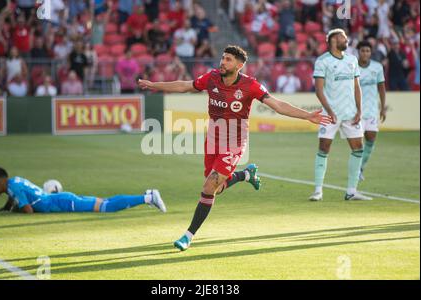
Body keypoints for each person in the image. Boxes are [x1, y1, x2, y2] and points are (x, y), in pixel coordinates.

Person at [138, 45, 332, 251]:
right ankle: (246, 175)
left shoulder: (250, 85)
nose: (223, 62)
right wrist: (155, 85)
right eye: (223, 58)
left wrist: (307, 115)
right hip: (213, 137)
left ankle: (188, 236)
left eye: (228, 59)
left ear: (239, 65)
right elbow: (185, 85)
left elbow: (277, 105)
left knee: (208, 187)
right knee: (217, 188)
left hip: (234, 141)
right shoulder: (211, 77)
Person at [309, 28, 372, 202]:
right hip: (330, 114)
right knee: (324, 148)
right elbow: (318, 90)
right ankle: (318, 190)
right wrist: (329, 111)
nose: (347, 40)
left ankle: (351, 191)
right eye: (343, 37)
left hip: (351, 114)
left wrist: (359, 110)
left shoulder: (352, 60)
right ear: (333, 40)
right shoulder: (322, 61)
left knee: (358, 148)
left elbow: (356, 87)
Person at [0, 167, 166, 214]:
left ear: (0, 181)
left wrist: (16, 210)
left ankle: (148, 197)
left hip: (64, 202)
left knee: (107, 206)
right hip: (62, 199)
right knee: (106, 202)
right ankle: (147, 195)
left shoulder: (12, 187)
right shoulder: (14, 182)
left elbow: (28, 210)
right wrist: (6, 208)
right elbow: (13, 199)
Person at [356, 41, 386, 181]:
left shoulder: (377, 67)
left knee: (371, 139)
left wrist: (383, 107)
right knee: (357, 142)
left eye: (368, 51)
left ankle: (360, 168)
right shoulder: (352, 67)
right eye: (363, 50)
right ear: (358, 52)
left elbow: (381, 87)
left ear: (371, 52)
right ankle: (355, 168)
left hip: (372, 110)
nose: (365, 53)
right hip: (356, 111)